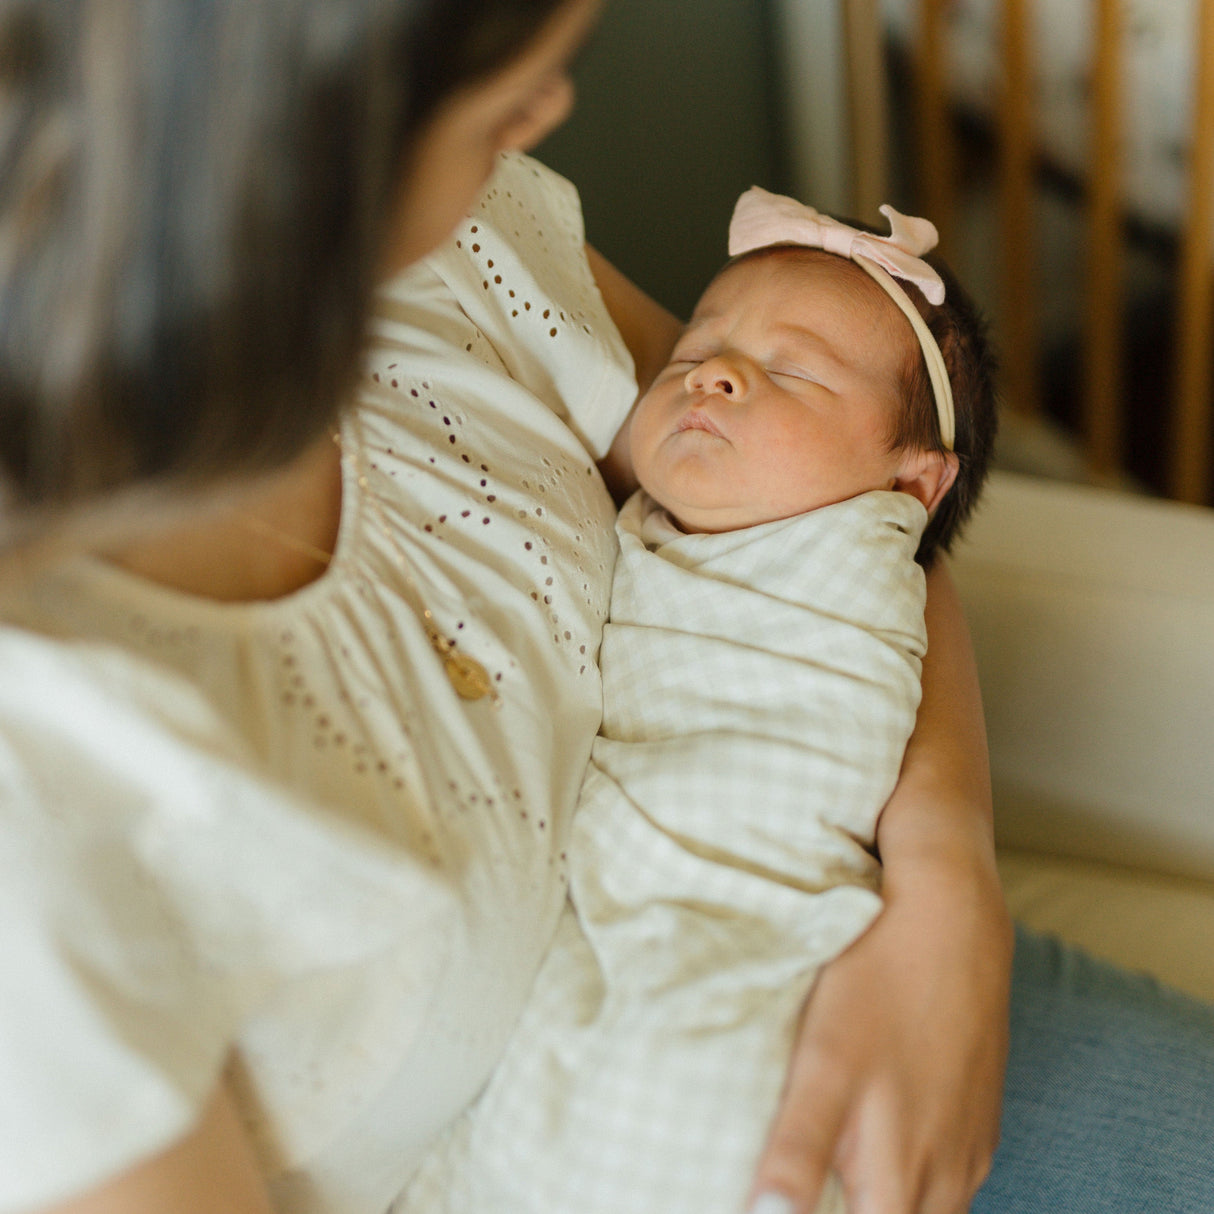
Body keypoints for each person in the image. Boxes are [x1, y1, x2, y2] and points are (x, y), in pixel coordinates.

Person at [0, 3, 1210, 1214]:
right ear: (311, 118)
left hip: (854, 940)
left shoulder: (463, 240)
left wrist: (949, 885)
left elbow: (832, 496)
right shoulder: (45, 765)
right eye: (505, 89)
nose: (551, 111)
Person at [395, 187, 999, 1214]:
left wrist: (949, 874)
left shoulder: (854, 553)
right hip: (592, 939)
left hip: (804, 943)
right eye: (693, 354)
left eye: (794, 370)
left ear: (908, 491)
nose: (709, 369)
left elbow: (900, 565)